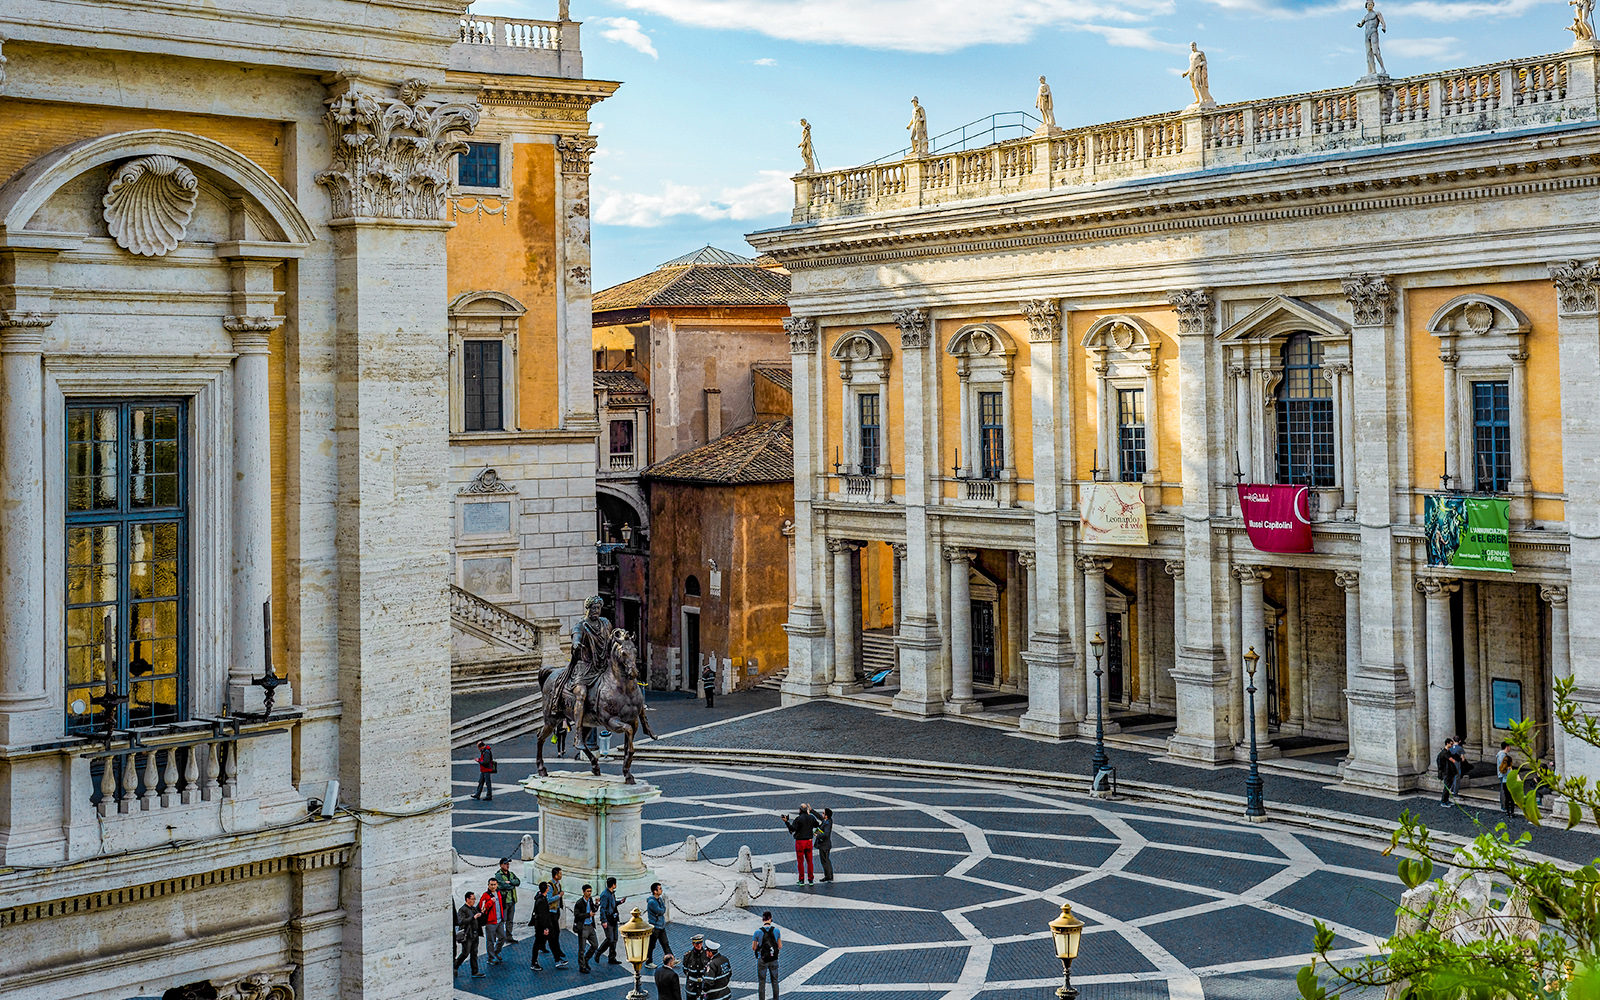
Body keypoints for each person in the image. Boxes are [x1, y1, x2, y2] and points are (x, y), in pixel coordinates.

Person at [567, 595, 614, 736]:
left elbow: (611, 639)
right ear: (587, 609)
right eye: (593, 608)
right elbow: (576, 638)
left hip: (602, 664)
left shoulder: (605, 623)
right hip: (585, 666)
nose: (596, 611)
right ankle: (578, 733)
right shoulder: (580, 626)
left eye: (598, 608)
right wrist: (576, 644)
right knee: (581, 694)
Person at [782, 803, 820, 885]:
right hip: (809, 841)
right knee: (810, 861)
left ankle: (801, 880)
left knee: (800, 862)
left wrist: (786, 822)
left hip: (800, 842)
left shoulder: (798, 819)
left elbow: (792, 829)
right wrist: (815, 833)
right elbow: (818, 825)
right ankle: (810, 880)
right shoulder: (811, 818)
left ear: (799, 810)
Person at [751, 912, 782, 1000]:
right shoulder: (776, 931)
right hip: (773, 959)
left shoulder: (757, 932)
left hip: (762, 959)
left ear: (762, 919)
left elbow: (754, 948)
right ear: (771, 919)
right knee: (775, 981)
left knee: (762, 982)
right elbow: (779, 946)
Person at [455, 890, 486, 978]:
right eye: (472, 899)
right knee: (465, 953)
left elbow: (479, 920)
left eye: (474, 899)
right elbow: (461, 921)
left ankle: (475, 972)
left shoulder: (473, 908)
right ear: (467, 899)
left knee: (474, 953)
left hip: (475, 934)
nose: (474, 901)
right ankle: (455, 965)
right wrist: (473, 917)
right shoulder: (462, 910)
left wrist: (482, 913)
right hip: (468, 935)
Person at [529, 880, 556, 970]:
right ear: (546, 889)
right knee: (537, 943)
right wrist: (545, 927)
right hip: (541, 926)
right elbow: (542, 915)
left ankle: (557, 958)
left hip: (543, 925)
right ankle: (534, 962)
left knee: (549, 941)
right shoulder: (541, 900)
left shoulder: (541, 898)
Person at [545, 874, 570, 969]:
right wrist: (558, 896)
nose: (561, 875)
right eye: (559, 873)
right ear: (555, 875)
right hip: (552, 912)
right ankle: (557, 956)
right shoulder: (550, 886)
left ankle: (557, 951)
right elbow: (549, 899)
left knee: (556, 933)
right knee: (553, 935)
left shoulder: (558, 884)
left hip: (556, 910)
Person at [573, 883, 599, 973]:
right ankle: (582, 966)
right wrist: (588, 915)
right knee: (582, 948)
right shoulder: (579, 903)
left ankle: (586, 959)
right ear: (583, 892)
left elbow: (594, 910)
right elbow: (576, 915)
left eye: (590, 891)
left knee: (595, 945)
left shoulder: (590, 900)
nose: (589, 893)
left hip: (590, 926)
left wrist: (596, 904)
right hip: (583, 927)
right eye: (588, 891)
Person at [494, 859, 521, 944]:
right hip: (504, 901)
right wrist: (511, 885)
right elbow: (502, 885)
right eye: (505, 864)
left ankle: (509, 936)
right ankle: (501, 936)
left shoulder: (511, 874)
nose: (507, 865)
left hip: (512, 900)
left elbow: (518, 882)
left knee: (510, 920)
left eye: (508, 864)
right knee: (503, 919)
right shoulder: (498, 875)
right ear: (501, 865)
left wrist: (510, 882)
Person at [1357, 0, 1387, 78]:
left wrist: (1383, 27)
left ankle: (1382, 68)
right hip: (1367, 34)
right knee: (1368, 53)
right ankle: (1372, 70)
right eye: (1368, 4)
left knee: (1375, 51)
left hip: (1374, 32)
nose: (1370, 6)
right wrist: (1359, 25)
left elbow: (1382, 22)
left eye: (1371, 4)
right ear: (1366, 6)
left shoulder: (1377, 13)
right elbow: (1361, 24)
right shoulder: (1366, 17)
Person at [644, 881, 671, 967]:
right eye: (659, 889)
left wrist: (662, 909)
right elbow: (661, 911)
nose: (661, 890)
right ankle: (648, 962)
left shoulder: (659, 899)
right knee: (651, 945)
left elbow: (663, 909)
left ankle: (671, 958)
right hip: (655, 927)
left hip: (661, 925)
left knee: (665, 943)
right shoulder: (652, 902)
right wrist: (662, 910)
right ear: (655, 891)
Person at [597, 876, 623, 965]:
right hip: (608, 920)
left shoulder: (612, 893)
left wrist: (619, 902)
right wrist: (604, 921)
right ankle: (599, 952)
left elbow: (612, 904)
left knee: (615, 939)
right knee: (609, 939)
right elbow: (603, 909)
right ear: (613, 885)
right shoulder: (605, 895)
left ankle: (612, 957)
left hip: (613, 919)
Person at [479, 878, 505, 965]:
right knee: (490, 941)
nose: (493, 886)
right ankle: (490, 957)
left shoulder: (498, 893)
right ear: (488, 885)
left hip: (499, 920)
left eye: (494, 884)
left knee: (502, 937)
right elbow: (482, 908)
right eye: (491, 885)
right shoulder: (485, 895)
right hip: (490, 922)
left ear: (497, 885)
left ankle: (496, 951)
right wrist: (490, 902)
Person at [682, 934, 709, 999]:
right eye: (697, 944)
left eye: (700, 943)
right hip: (692, 985)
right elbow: (685, 969)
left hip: (703, 985)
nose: (699, 945)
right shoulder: (688, 956)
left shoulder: (707, 955)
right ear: (693, 944)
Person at [1436, 737, 1458, 806]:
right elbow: (1452, 760)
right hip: (1446, 772)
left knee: (1448, 787)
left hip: (1448, 772)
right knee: (1447, 787)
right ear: (1447, 744)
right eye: (1451, 744)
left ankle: (1446, 800)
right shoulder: (1445, 753)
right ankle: (1443, 801)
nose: (1451, 746)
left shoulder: (1447, 752)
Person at [815, 807, 835, 882]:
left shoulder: (827, 824)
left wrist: (818, 835)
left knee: (824, 861)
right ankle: (830, 875)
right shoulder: (827, 821)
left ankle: (827, 876)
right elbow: (819, 817)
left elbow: (826, 834)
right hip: (826, 845)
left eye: (823, 813)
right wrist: (811, 811)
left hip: (824, 845)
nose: (822, 814)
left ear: (826, 815)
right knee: (827, 860)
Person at [1497, 741, 1516, 818]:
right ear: (1507, 747)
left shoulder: (1501, 755)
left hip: (1504, 777)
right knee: (1508, 795)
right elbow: (1504, 768)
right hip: (1505, 777)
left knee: (1506, 794)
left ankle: (1507, 810)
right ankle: (1507, 808)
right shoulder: (1503, 756)